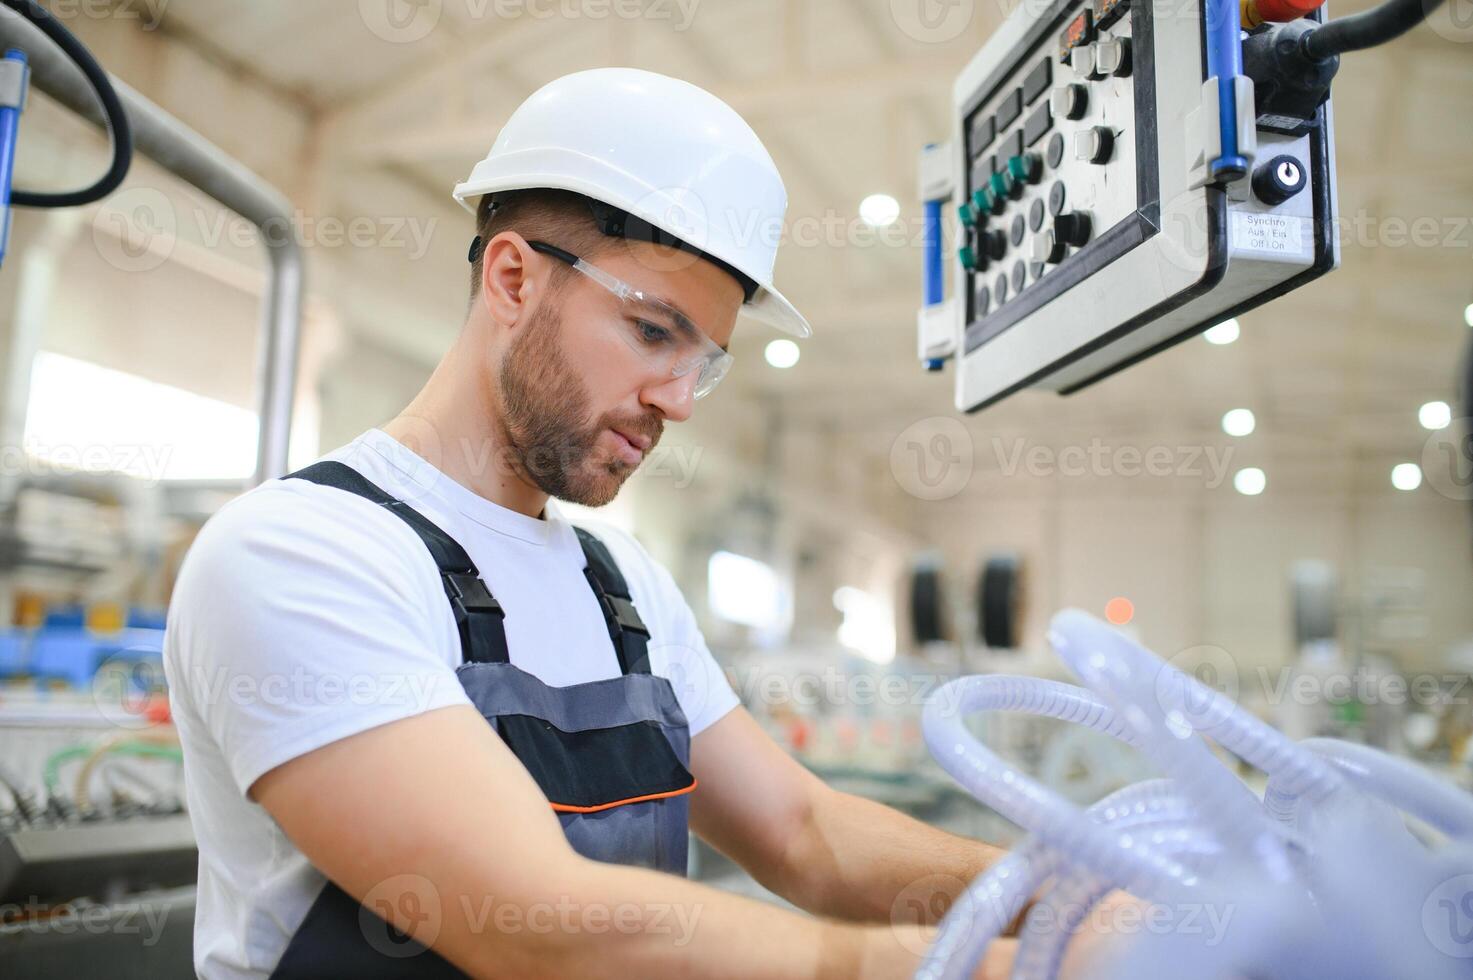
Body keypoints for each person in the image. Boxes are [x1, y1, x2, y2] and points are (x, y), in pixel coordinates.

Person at [164, 68, 1071, 979]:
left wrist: (1070, 903)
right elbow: (536, 927)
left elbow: (806, 833)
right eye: (651, 333)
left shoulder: (623, 588)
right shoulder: (300, 553)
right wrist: (1028, 968)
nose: (677, 402)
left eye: (703, 363)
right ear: (512, 278)